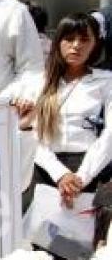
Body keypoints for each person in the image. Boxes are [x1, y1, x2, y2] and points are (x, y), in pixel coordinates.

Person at [34, 13, 112, 209]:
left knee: (88, 238)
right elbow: (31, 136)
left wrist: (81, 177)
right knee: (46, 238)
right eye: (69, 39)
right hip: (47, 172)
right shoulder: (38, 82)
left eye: (85, 40)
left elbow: (110, 135)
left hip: (94, 170)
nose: (76, 45)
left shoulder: (106, 81)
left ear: (95, 44)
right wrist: (60, 174)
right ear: (58, 41)